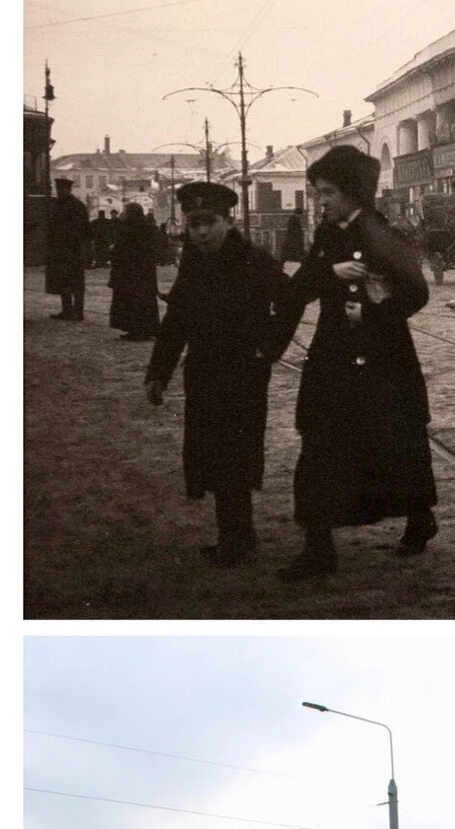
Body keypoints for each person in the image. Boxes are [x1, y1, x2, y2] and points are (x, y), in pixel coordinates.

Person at [270, 144, 438, 580]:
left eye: (327, 192)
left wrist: (372, 311)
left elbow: (417, 292)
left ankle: (420, 518)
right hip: (332, 359)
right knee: (320, 446)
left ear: (352, 193)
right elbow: (300, 289)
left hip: (383, 360)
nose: (321, 201)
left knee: (398, 442)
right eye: (318, 192)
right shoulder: (327, 236)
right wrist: (331, 275)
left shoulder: (383, 233)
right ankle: (318, 547)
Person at [144, 181, 289, 566]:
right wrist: (158, 371)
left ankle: (237, 539)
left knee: (234, 456)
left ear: (228, 221)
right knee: (212, 454)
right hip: (204, 373)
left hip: (244, 374)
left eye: (209, 222)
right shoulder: (193, 263)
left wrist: (269, 348)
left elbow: (289, 302)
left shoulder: (254, 260)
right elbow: (176, 320)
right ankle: (235, 535)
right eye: (194, 224)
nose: (201, 232)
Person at [107, 203, 161, 341]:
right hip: (145, 271)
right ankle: (148, 329)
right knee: (145, 300)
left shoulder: (127, 228)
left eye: (126, 211)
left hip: (129, 272)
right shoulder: (149, 228)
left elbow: (122, 248)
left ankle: (135, 330)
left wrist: (114, 250)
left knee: (130, 301)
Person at [45, 177, 91, 319]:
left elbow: (85, 230)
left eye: (61, 189)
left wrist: (72, 239)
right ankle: (67, 310)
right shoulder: (56, 205)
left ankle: (78, 312)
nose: (58, 192)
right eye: (57, 189)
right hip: (60, 250)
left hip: (74, 250)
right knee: (63, 281)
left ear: (68, 190)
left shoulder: (77, 206)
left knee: (76, 282)